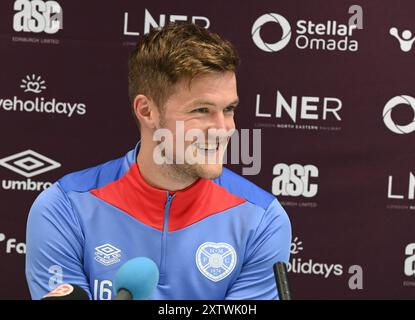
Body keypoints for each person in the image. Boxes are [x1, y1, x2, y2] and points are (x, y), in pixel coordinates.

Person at [25, 23, 291, 300]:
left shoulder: (263, 219)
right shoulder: (63, 207)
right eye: (202, 110)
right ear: (146, 110)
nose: (223, 128)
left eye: (229, 109)